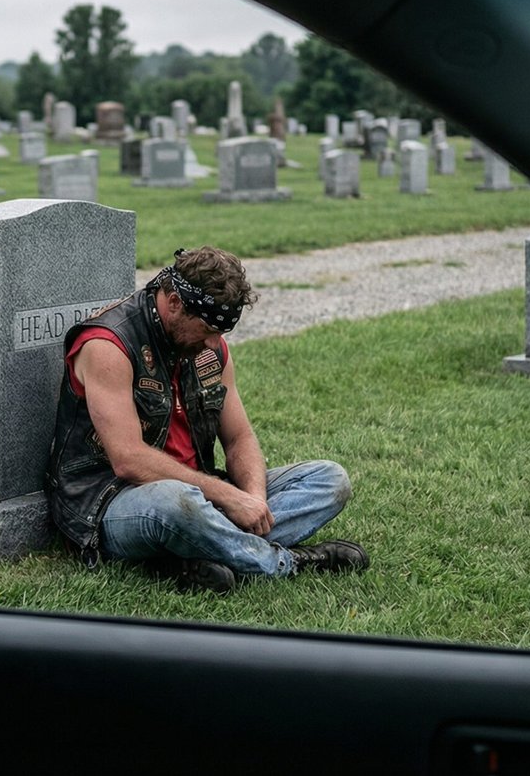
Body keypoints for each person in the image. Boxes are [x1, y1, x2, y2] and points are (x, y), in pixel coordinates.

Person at [45, 246, 368, 595]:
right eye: (208, 328)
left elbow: (239, 437)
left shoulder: (209, 348)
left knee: (329, 480)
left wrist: (254, 501)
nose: (215, 342)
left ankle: (195, 552)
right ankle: (287, 562)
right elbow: (128, 460)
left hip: (200, 495)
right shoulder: (109, 345)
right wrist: (229, 498)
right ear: (174, 304)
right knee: (175, 502)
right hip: (110, 503)